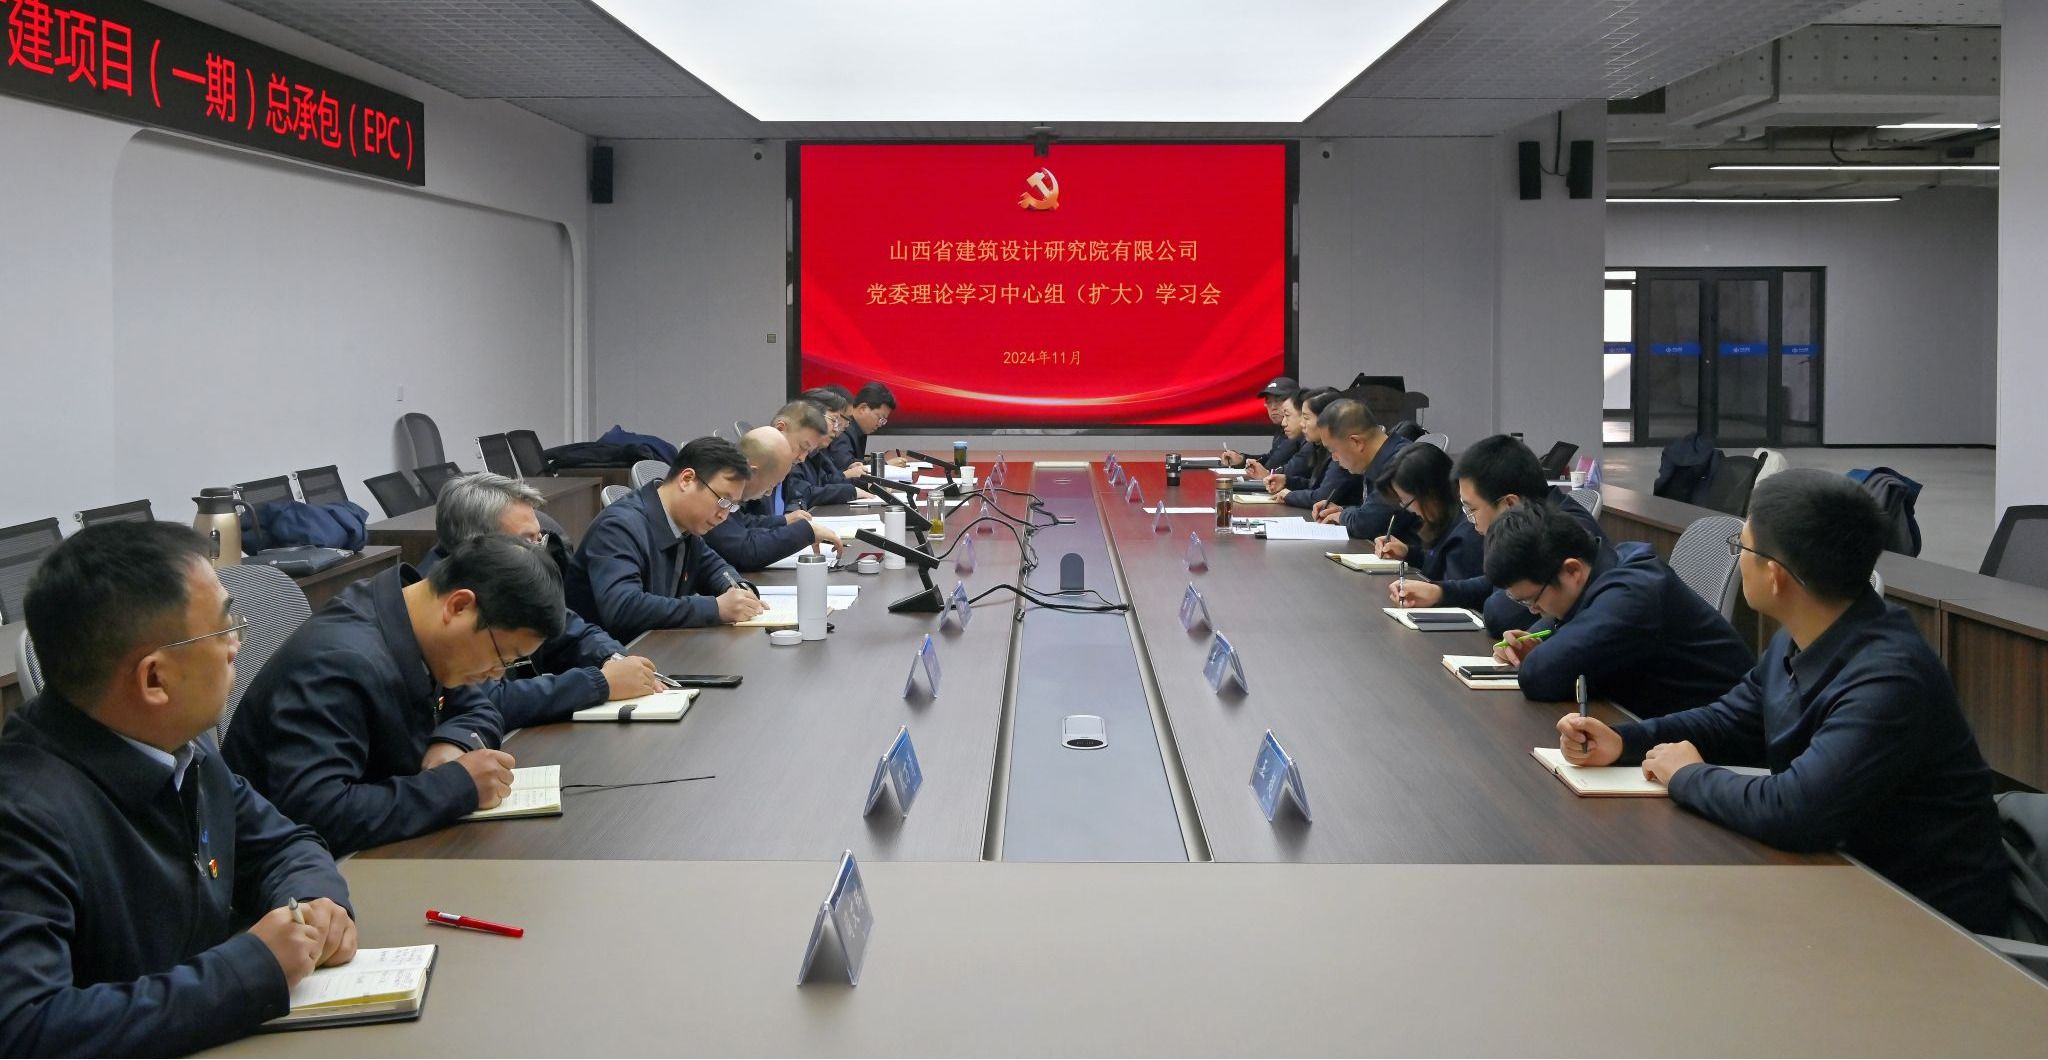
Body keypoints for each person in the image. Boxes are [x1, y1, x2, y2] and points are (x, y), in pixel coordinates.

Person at [1556, 470, 2007, 932]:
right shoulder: (1807, 636)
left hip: (1927, 923)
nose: (1739, 558)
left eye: (1742, 548)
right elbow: (1730, 720)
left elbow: (1795, 812)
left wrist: (1688, 776)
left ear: (1774, 577)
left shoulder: (1890, 679)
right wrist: (1626, 742)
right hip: (1841, 883)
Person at [0, 523, 357, 1055]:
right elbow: (26, 1030)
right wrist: (247, 972)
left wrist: (312, 902)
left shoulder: (180, 747)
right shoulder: (22, 816)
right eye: (223, 629)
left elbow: (284, 843)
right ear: (154, 680)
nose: (237, 643)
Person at [223, 535, 562, 856]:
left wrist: (453, 742)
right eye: (502, 657)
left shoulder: (417, 621)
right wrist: (456, 785)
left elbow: (478, 706)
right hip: (288, 878)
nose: (498, 674)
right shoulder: (338, 662)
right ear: (459, 606)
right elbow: (318, 814)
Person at [419, 472, 666, 727]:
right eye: (527, 541)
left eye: (539, 539)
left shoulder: (509, 581)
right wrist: (599, 683)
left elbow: (573, 632)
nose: (540, 554)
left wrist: (614, 660)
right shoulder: (445, 601)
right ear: (480, 545)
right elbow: (487, 702)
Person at [1483, 504, 1752, 715]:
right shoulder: (1609, 565)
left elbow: (1538, 676)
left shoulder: (1631, 594)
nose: (1533, 610)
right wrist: (1538, 642)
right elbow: (1560, 636)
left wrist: (1541, 653)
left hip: (1723, 743)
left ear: (1572, 570)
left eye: (1533, 600)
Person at [1390, 434, 1604, 635]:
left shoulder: (1559, 531)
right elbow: (1495, 583)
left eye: (1471, 510)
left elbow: (1500, 614)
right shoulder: (1539, 514)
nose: (1469, 521)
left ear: (1509, 504)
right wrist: (1440, 592)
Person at [564, 435, 768, 641]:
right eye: (723, 501)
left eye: (732, 506)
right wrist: (715, 608)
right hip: (607, 655)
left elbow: (713, 567)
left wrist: (738, 588)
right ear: (687, 480)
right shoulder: (618, 527)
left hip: (652, 646)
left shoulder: (683, 524)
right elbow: (624, 608)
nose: (724, 515)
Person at [705, 427, 845, 571]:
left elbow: (744, 524)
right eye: (772, 484)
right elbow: (744, 551)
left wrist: (784, 521)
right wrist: (805, 532)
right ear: (752, 472)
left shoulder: (725, 494)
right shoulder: (714, 496)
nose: (769, 492)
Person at [1370, 443, 1481, 585]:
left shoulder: (1464, 537)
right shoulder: (1447, 522)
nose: (1410, 510)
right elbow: (1437, 564)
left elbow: (1457, 590)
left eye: (1407, 502)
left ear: (1431, 493)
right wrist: (1408, 553)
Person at [1314, 397, 1416, 540]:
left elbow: (1368, 524)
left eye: (1333, 450)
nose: (1334, 458)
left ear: (1356, 442)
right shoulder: (1383, 455)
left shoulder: (1399, 464)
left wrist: (1341, 516)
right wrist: (1341, 511)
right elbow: (1372, 511)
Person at [1274, 389, 1361, 511]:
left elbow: (1322, 497)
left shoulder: (1342, 450)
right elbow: (1317, 485)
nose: (1302, 424)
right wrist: (1287, 481)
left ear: (1326, 420)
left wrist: (1289, 495)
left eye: (1306, 418)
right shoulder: (1318, 447)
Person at [1225, 376, 1301, 473]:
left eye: (1278, 401)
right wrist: (1241, 459)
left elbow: (1272, 465)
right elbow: (1270, 458)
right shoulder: (1281, 429)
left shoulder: (1299, 433)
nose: (1273, 407)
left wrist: (1265, 472)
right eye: (1268, 402)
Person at [831, 381, 902, 475]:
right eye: (880, 418)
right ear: (863, 408)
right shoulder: (843, 430)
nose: (880, 424)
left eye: (883, 421)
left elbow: (856, 463)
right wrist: (884, 465)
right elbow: (846, 466)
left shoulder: (859, 430)